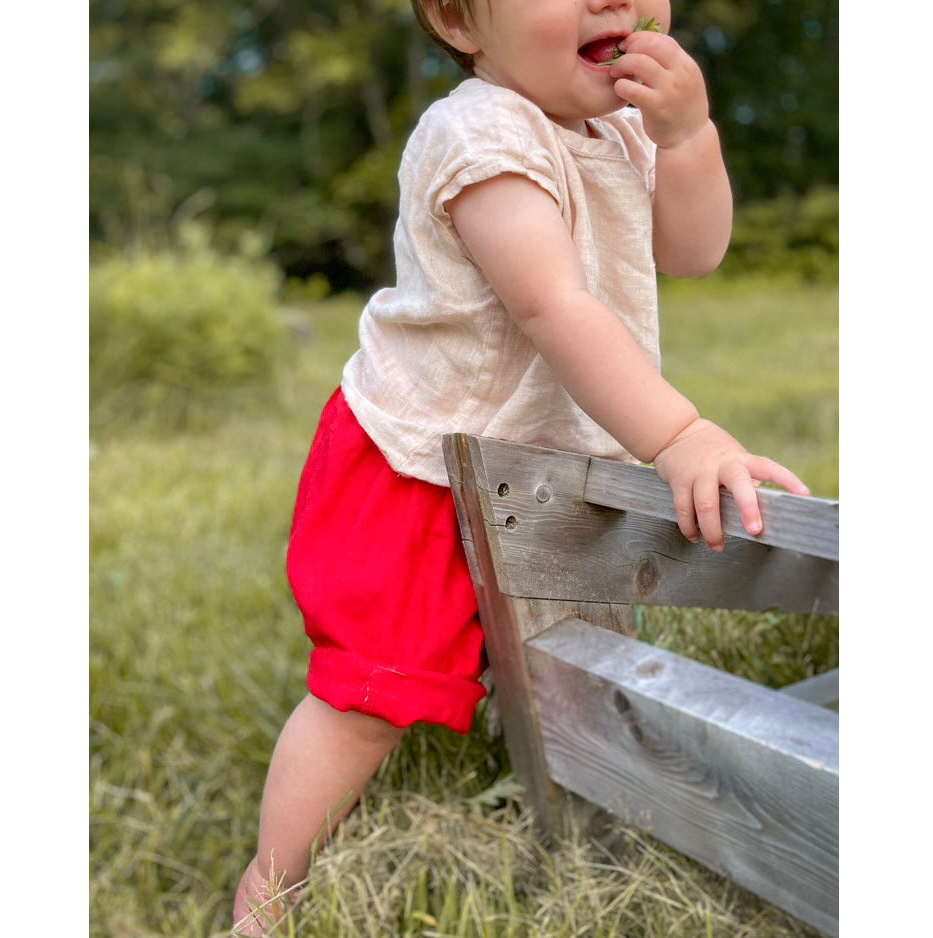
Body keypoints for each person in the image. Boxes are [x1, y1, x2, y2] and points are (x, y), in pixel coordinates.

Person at [232, 0, 810, 931]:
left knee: (567, 649)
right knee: (371, 694)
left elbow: (694, 252)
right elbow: (553, 307)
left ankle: (571, 792)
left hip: (531, 456)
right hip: (420, 459)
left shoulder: (621, 127)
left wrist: (689, 135)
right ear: (461, 20)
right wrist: (681, 435)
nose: (613, 1)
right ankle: (268, 889)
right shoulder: (481, 132)